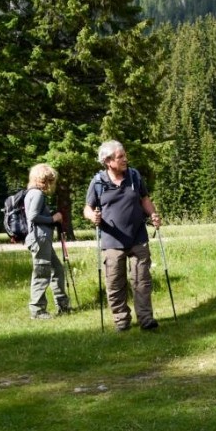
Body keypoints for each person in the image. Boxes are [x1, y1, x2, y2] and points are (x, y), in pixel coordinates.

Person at [83, 140, 162, 331]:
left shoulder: (134, 176)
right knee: (115, 283)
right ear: (108, 161)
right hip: (112, 241)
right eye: (121, 157)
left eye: (124, 155)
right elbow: (87, 208)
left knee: (142, 281)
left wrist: (153, 214)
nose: (125, 159)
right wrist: (92, 216)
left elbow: (144, 199)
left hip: (138, 238)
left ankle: (146, 319)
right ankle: (121, 321)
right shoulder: (98, 182)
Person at [25, 164, 70, 319]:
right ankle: (37, 311)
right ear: (43, 180)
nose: (51, 183)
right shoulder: (37, 194)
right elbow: (33, 216)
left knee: (57, 269)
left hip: (41, 238)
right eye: (49, 180)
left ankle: (63, 305)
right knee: (42, 273)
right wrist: (53, 218)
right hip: (40, 238)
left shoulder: (32, 193)